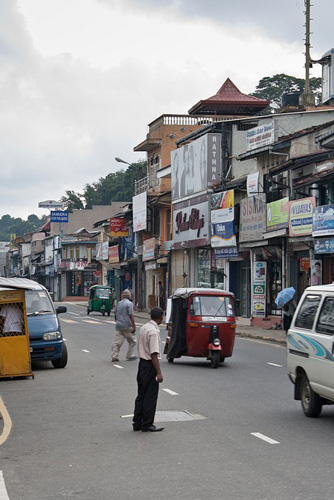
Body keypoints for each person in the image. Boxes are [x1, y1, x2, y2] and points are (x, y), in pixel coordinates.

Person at [133, 307, 164, 432]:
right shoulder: (154, 332)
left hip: (142, 365)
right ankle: (147, 424)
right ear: (161, 317)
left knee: (141, 394)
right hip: (150, 366)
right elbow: (154, 354)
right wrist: (159, 372)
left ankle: (137, 422)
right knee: (150, 396)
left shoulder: (144, 327)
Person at [111, 289, 136, 362]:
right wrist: (134, 326)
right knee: (132, 341)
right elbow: (131, 315)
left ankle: (114, 356)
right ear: (129, 296)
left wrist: (116, 321)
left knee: (117, 342)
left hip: (118, 325)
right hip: (127, 325)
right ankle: (129, 355)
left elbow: (115, 313)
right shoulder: (130, 304)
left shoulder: (119, 303)